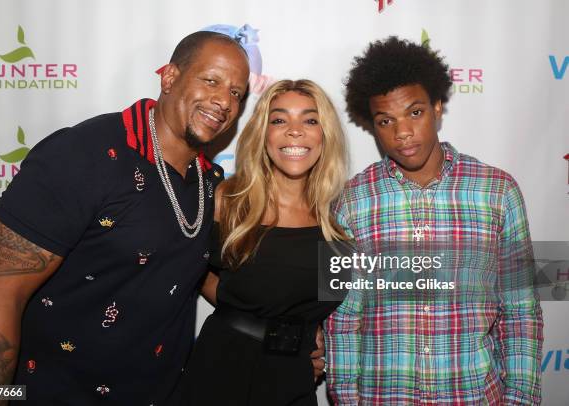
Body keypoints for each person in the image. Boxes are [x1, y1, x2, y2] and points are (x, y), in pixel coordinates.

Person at [0, 31, 250, 405]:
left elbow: (194, 274)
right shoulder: (83, 155)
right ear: (170, 77)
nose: (223, 100)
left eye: (236, 93)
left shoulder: (208, 182)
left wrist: (283, 330)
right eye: (211, 80)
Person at [325, 37, 543, 405]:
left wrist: (520, 399)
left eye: (414, 112)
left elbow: (521, 312)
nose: (402, 133)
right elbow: (343, 322)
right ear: (373, 125)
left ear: (437, 106)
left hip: (475, 396)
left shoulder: (498, 191)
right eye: (385, 120)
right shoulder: (350, 203)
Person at [175, 79, 348, 406]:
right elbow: (192, 270)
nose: (294, 131)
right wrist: (247, 315)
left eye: (310, 120)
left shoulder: (337, 221)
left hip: (295, 378)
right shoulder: (230, 199)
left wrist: (307, 338)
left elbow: (322, 302)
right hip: (222, 370)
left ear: (325, 134)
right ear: (263, 133)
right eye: (279, 120)